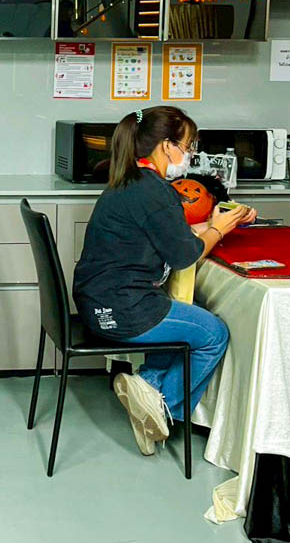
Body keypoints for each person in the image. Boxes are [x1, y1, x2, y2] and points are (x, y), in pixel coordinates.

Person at [72, 106, 256, 456]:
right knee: (214, 334)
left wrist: (218, 224)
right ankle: (161, 411)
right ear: (167, 146)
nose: (190, 154)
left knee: (185, 317)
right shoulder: (154, 191)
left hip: (98, 303)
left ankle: (147, 386)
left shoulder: (130, 182)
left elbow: (170, 234)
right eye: (188, 146)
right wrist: (218, 229)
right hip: (123, 311)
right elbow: (186, 254)